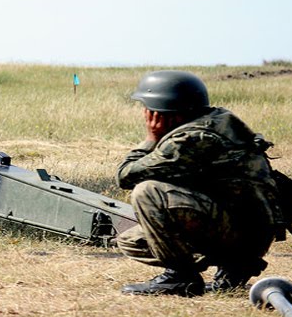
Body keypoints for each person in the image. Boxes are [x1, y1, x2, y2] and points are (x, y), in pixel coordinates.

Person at [116, 70, 283, 296]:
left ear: (161, 112)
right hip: (252, 231)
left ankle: (180, 278)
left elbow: (125, 176)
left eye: (147, 108)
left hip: (242, 233)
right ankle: (234, 266)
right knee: (132, 241)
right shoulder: (219, 120)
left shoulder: (191, 139)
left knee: (147, 192)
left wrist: (151, 138)